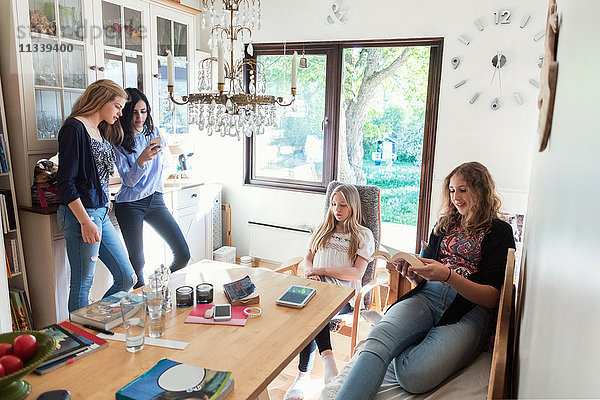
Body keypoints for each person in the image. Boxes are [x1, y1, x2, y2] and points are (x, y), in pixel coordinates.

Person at [335, 161, 516, 399]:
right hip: (427, 296)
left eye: (463, 190)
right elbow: (423, 277)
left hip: (468, 310)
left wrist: (449, 276)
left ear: (480, 190)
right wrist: (411, 273)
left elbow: (493, 297)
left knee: (413, 377)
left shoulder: (500, 231)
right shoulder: (444, 226)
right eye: (452, 190)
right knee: (376, 342)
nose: (456, 197)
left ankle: (409, 337)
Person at [284, 184, 375, 400]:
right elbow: (307, 258)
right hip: (316, 288)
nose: (337, 209)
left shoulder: (363, 235)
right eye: (334, 204)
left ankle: (305, 374)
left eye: (343, 204)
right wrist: (309, 271)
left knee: (312, 311)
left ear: (353, 206)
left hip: (342, 296)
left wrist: (323, 270)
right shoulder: (322, 229)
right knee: (296, 303)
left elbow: (356, 273)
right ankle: (325, 360)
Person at [57, 79, 135, 312]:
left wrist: (105, 199)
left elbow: (97, 175)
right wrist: (85, 221)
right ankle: (82, 341)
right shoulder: (74, 128)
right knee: (82, 285)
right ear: (101, 100)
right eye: (117, 106)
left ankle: (95, 320)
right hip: (83, 215)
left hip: (99, 213)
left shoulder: (98, 130)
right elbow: (66, 181)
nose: (120, 113)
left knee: (126, 277)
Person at [109, 88, 190, 288]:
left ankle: (158, 287)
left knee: (182, 255)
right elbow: (129, 181)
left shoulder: (153, 132)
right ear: (126, 113)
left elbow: (164, 161)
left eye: (143, 111)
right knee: (137, 264)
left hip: (155, 199)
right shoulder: (119, 141)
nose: (140, 117)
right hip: (129, 205)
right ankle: (143, 306)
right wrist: (141, 161)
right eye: (135, 112)